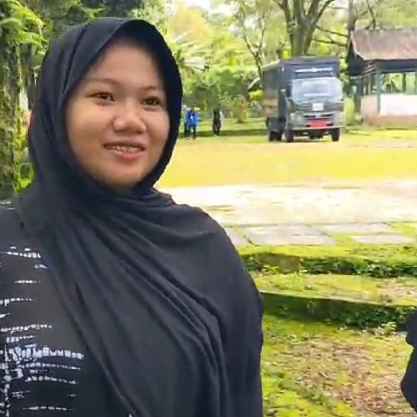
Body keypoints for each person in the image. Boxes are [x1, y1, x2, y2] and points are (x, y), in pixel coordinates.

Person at [0, 18, 263, 417]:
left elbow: (240, 394)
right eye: (104, 96)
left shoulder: (205, 251)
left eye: (151, 102)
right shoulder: (8, 241)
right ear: (57, 107)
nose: (131, 121)